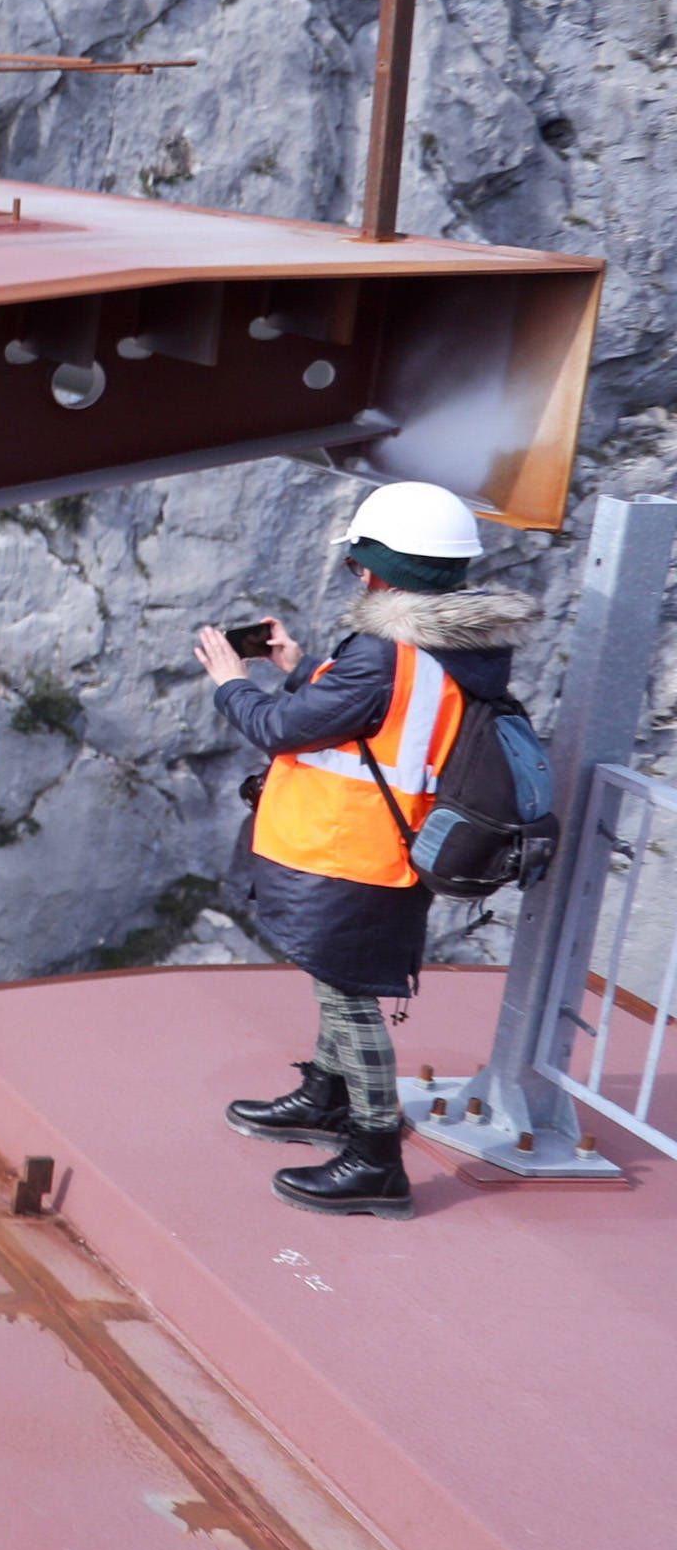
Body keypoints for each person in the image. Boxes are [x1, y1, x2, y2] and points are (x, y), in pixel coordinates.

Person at [195, 479, 533, 1218]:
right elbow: (370, 717)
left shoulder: (385, 651)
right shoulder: (442, 644)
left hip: (353, 851)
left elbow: (285, 730)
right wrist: (296, 670)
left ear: (379, 569)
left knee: (349, 1001)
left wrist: (231, 683)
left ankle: (375, 1158)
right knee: (335, 979)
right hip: (388, 845)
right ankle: (327, 1094)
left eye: (360, 564)